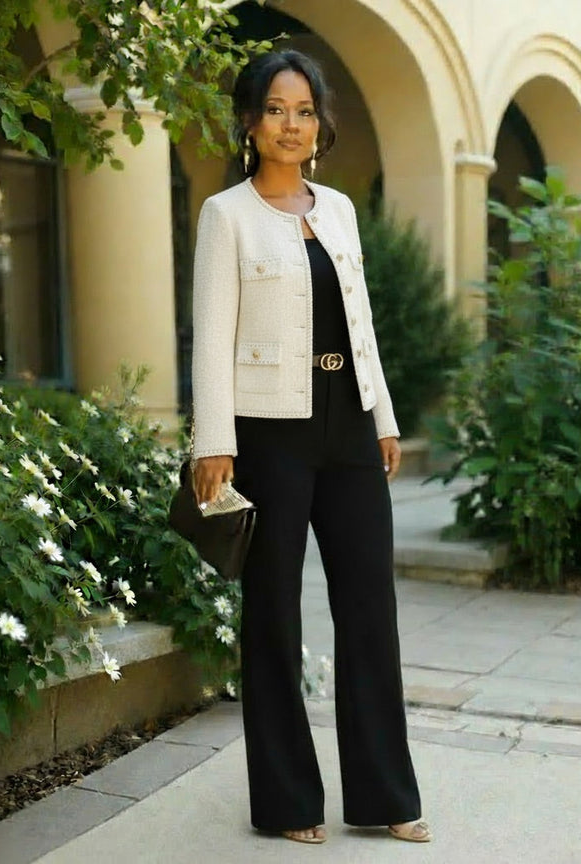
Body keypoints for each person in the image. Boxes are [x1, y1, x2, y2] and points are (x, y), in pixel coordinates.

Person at [190, 50, 431, 846]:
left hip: (351, 427)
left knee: (371, 608)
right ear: (250, 122)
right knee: (273, 613)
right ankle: (289, 802)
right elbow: (211, 338)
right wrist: (212, 442)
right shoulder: (226, 215)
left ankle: (385, 795)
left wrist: (384, 417)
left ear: (319, 124)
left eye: (303, 110)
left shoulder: (339, 211)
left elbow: (360, 325)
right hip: (269, 434)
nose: (290, 124)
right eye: (274, 109)